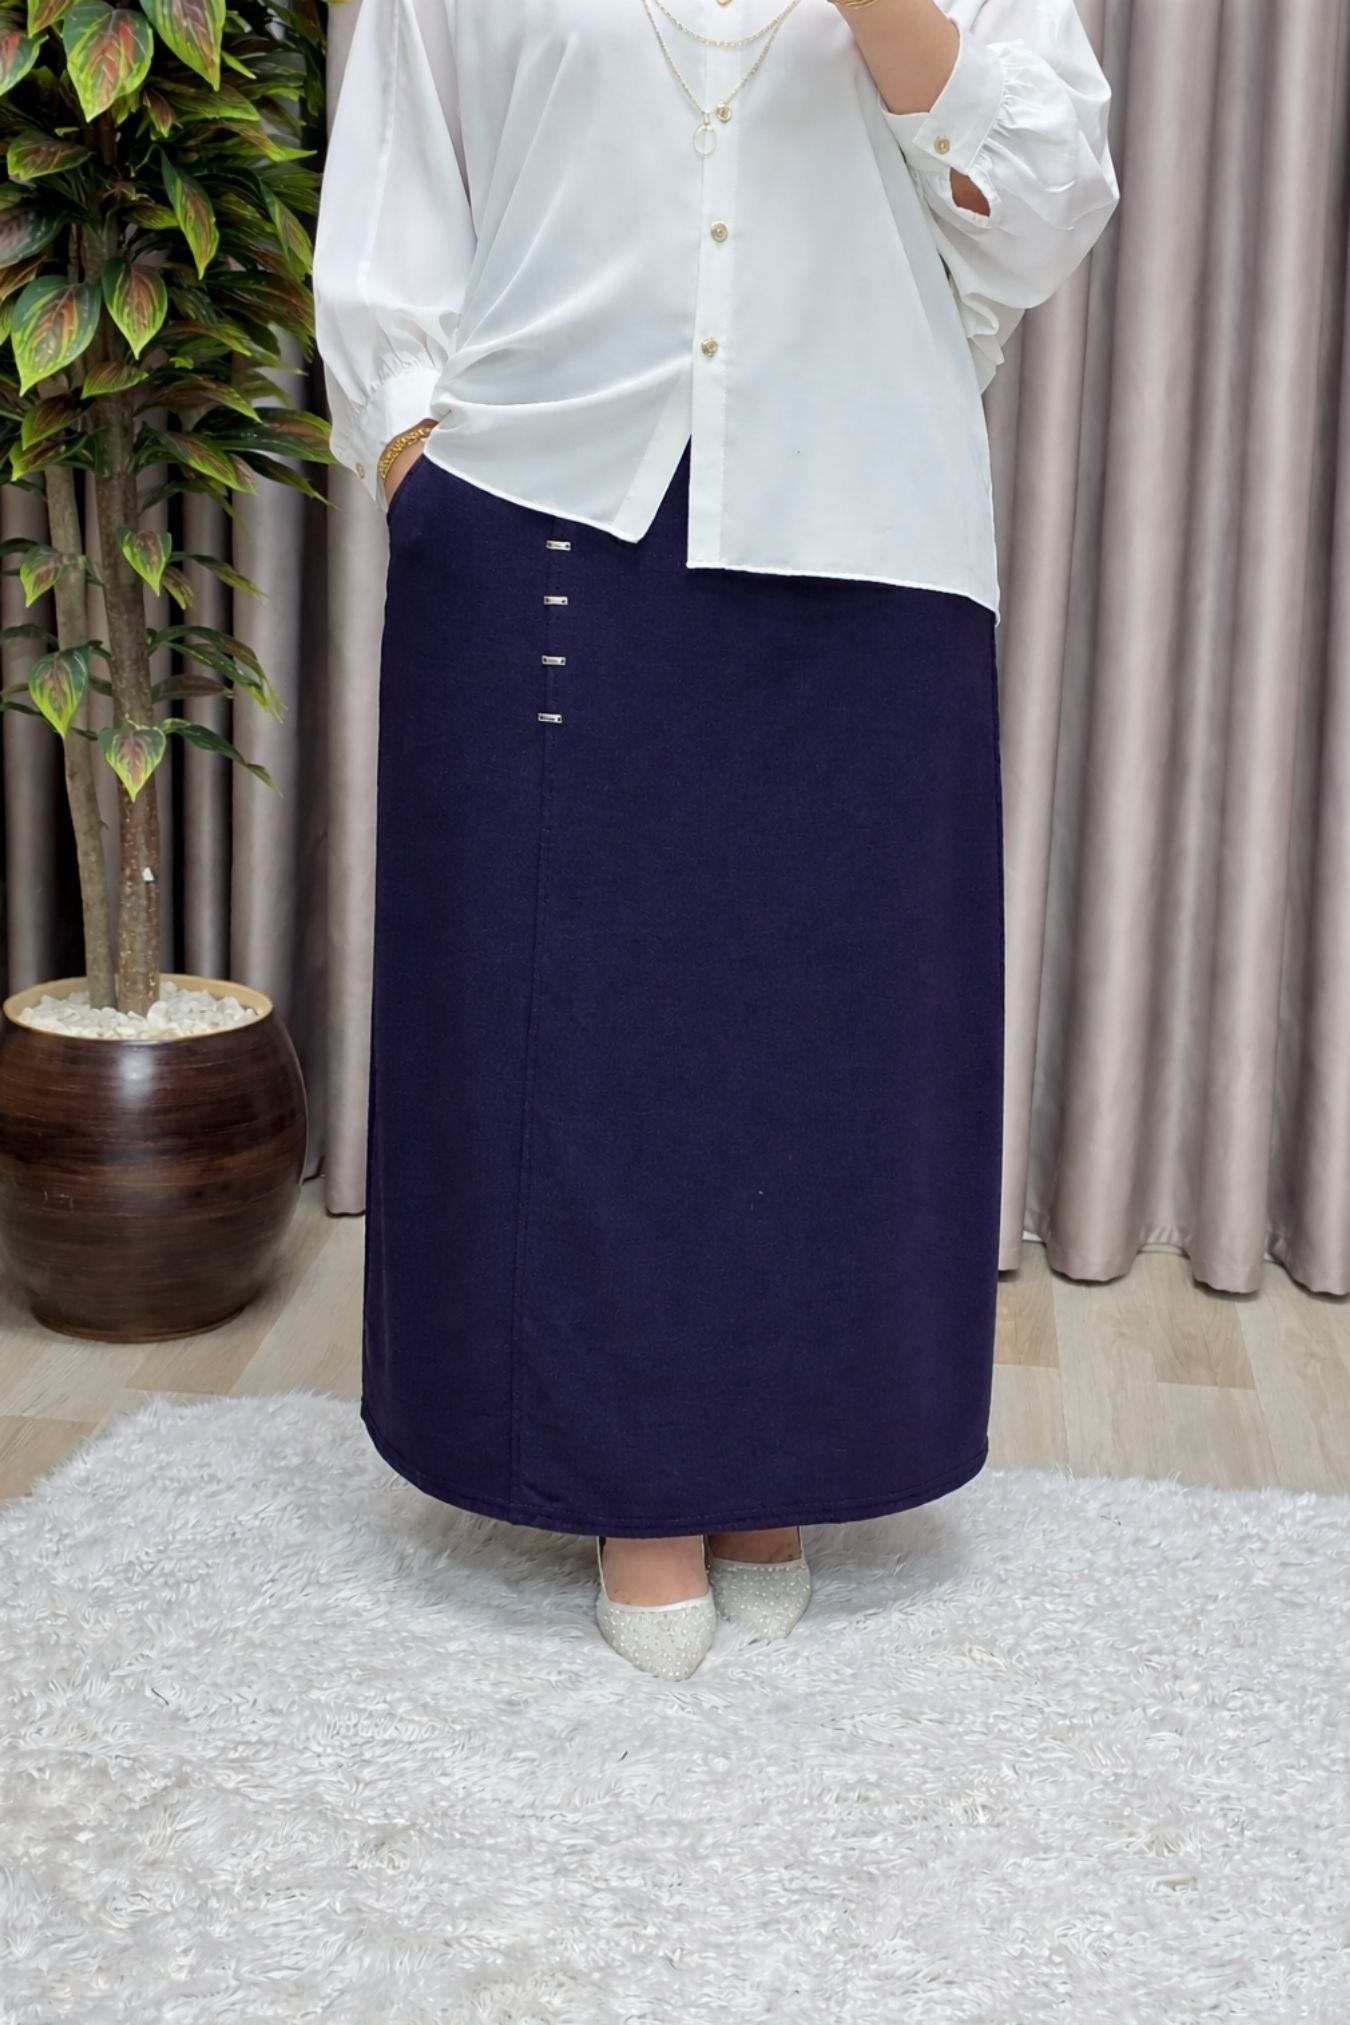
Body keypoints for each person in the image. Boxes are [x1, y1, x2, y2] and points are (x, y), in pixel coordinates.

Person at [312, 0, 1119, 1681]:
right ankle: (631, 1483)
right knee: (575, 1018)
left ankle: (780, 1462)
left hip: (865, 516)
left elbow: (1043, 214)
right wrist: (407, 453)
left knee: (824, 1034)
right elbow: (397, 196)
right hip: (545, 505)